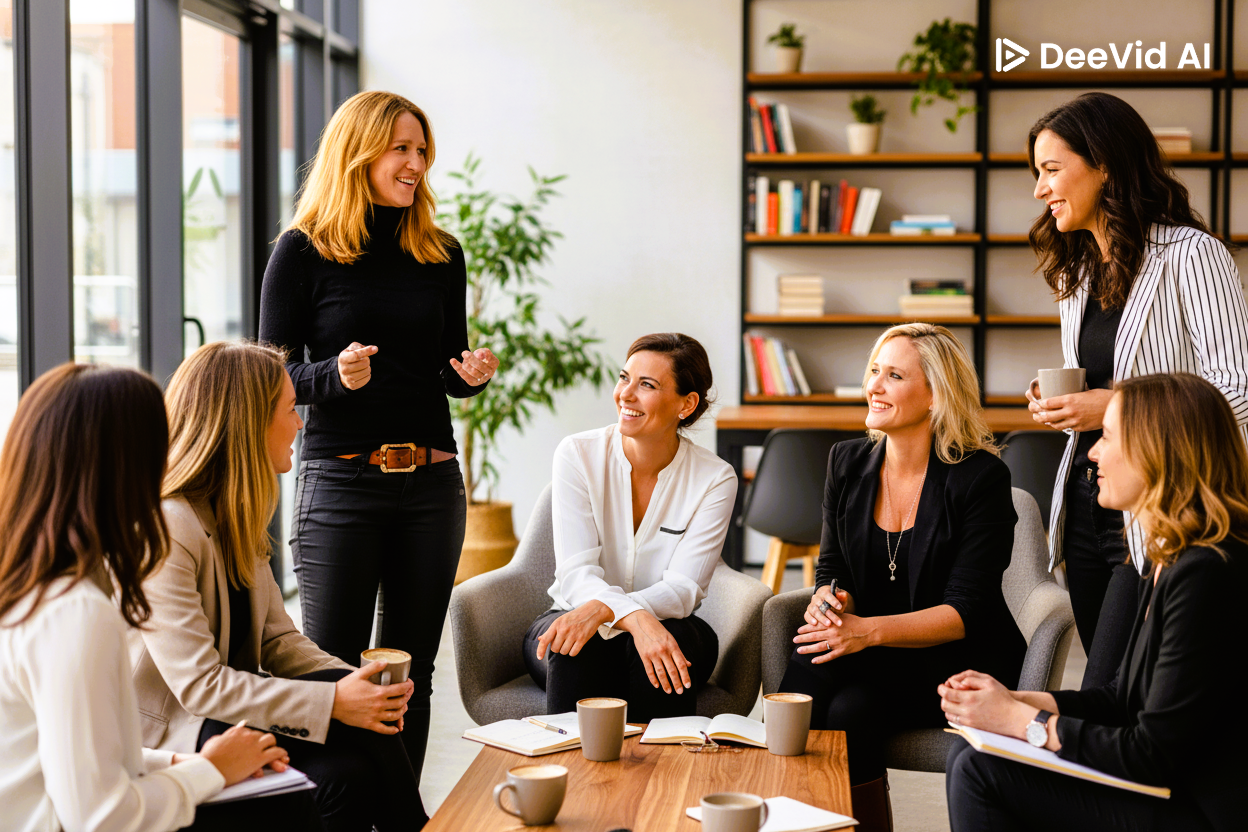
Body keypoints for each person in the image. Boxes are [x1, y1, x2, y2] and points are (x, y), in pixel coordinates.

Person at [258, 90, 499, 789]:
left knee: (410, 675)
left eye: (422, 150)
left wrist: (471, 376)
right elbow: (269, 375)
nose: (417, 163)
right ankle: (338, 818)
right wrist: (333, 376)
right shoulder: (301, 253)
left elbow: (445, 369)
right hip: (340, 481)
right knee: (333, 670)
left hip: (431, 482)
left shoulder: (440, 252)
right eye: (402, 148)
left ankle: (397, 818)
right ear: (359, 152)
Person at [0, 363, 321, 832]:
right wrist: (209, 770)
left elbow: (72, 764)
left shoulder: (32, 589)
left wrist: (184, 763)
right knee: (285, 805)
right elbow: (102, 817)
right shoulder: (77, 613)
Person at [130, 341, 425, 832]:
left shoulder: (233, 514)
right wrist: (336, 701)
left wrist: (356, 685)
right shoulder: (167, 527)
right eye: (291, 410)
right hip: (173, 732)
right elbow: (199, 685)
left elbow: (277, 641)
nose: (301, 424)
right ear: (247, 426)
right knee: (342, 770)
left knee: (351, 765)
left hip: (224, 711)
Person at [944, 373, 1247, 832]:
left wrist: (1022, 721)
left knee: (979, 769)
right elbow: (1122, 699)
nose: (1091, 452)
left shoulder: (1209, 570)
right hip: (1169, 788)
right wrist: (1013, 702)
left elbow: (1151, 753)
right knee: (972, 748)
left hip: (1201, 812)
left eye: (1106, 436)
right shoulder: (1166, 556)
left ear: (1157, 450)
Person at [1023, 91, 1248, 690]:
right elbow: (1100, 375)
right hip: (1088, 493)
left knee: (1113, 685)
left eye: (1051, 170)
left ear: (1105, 164)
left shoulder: (1193, 256)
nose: (1041, 190)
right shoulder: (1076, 271)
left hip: (1161, 501)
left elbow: (1237, 392)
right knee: (1109, 682)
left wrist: (1112, 405)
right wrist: (1062, 401)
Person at [778, 323, 1026, 831]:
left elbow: (967, 610)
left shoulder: (981, 477)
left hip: (956, 658)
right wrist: (831, 600)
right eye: (874, 371)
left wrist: (863, 631)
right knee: (838, 698)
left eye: (894, 375)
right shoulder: (846, 461)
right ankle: (791, 809)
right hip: (870, 653)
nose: (874, 385)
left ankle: (782, 807)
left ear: (936, 395)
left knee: (828, 684)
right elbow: (832, 567)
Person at [522, 333, 735, 721]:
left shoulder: (715, 478)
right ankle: (574, 778)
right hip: (571, 616)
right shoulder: (577, 454)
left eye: (647, 385)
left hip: (671, 627)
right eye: (624, 378)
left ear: (686, 404)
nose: (626, 394)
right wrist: (632, 618)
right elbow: (576, 573)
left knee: (671, 643)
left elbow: (684, 588)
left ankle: (665, 780)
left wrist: (607, 609)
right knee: (579, 644)